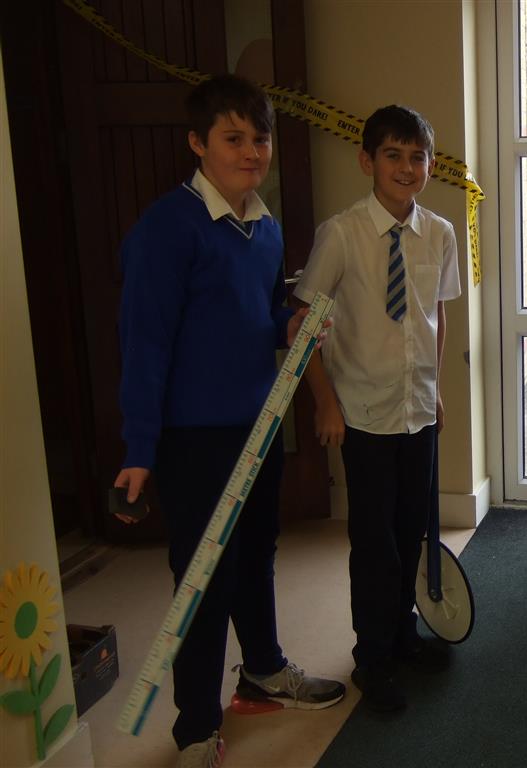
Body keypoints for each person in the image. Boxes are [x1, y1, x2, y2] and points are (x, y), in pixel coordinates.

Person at [114, 74, 345, 768]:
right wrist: (139, 449)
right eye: (233, 138)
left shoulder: (265, 228)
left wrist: (290, 325)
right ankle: (194, 726)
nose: (251, 152)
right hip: (194, 439)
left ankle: (264, 671)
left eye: (260, 139)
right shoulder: (167, 229)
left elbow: (262, 315)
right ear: (198, 143)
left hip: (257, 424)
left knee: (255, 554)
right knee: (202, 578)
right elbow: (144, 345)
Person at [293, 105, 461, 714]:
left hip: (417, 411)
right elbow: (305, 324)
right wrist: (324, 402)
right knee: (373, 543)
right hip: (361, 414)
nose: (406, 168)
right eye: (393, 155)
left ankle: (403, 633)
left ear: (430, 165)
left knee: (411, 530)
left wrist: (434, 387)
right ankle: (373, 657)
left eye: (417, 157)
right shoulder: (341, 234)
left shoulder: (439, 234)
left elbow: (435, 315)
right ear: (367, 161)